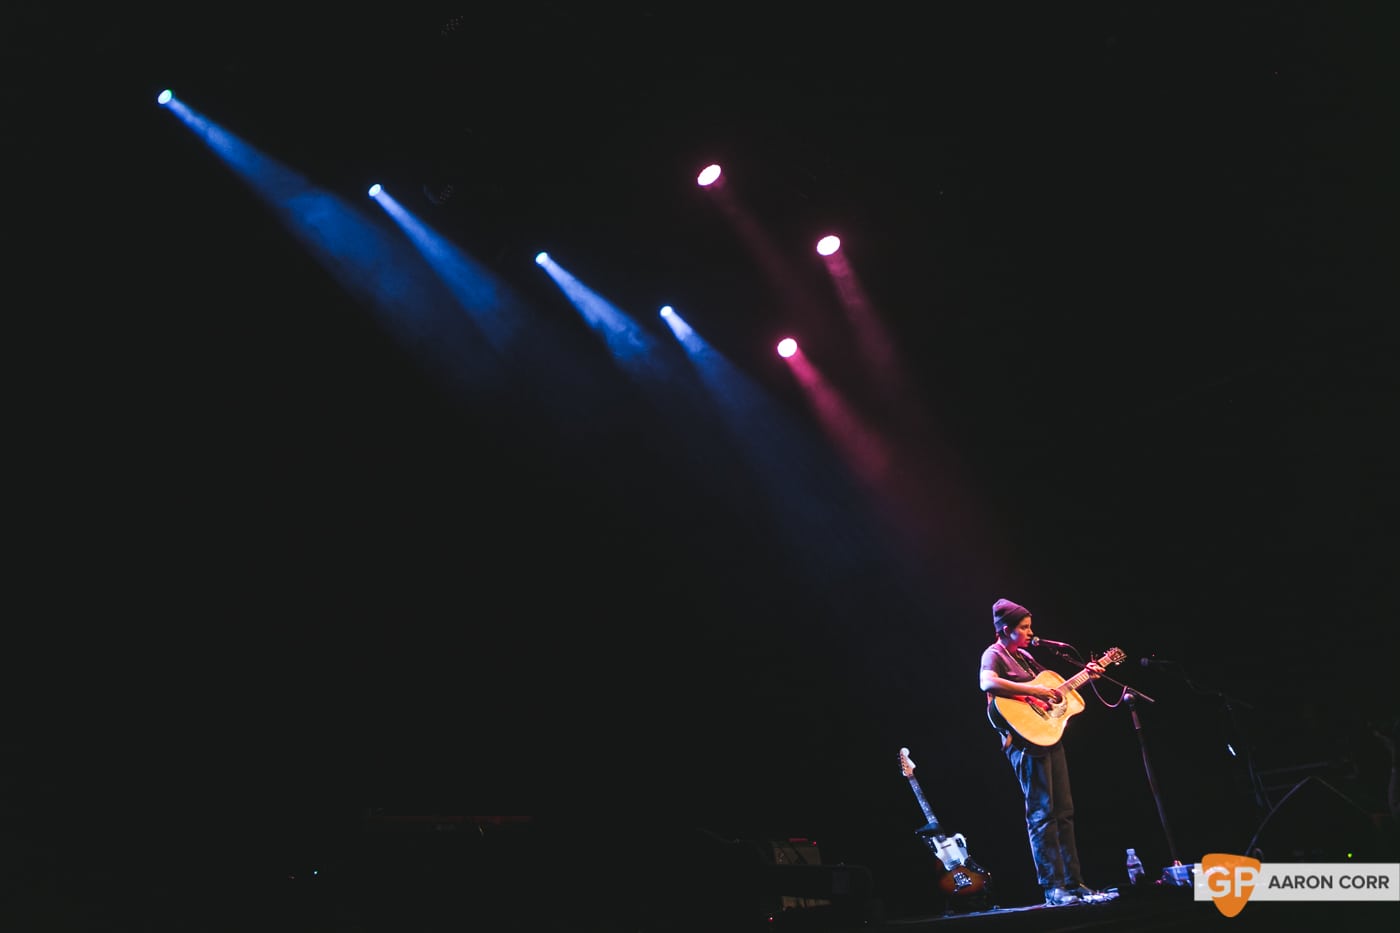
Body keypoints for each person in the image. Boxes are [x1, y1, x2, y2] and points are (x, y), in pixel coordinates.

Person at [979, 597, 1109, 907]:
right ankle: (1054, 888)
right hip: (1024, 741)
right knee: (1041, 814)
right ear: (1005, 630)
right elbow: (987, 683)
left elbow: (1055, 689)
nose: (1029, 632)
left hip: (1048, 737)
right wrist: (1036, 692)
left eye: (1029, 627)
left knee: (1063, 812)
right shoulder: (993, 654)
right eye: (1023, 627)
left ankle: (1074, 883)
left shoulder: (1024, 657)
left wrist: (1087, 675)